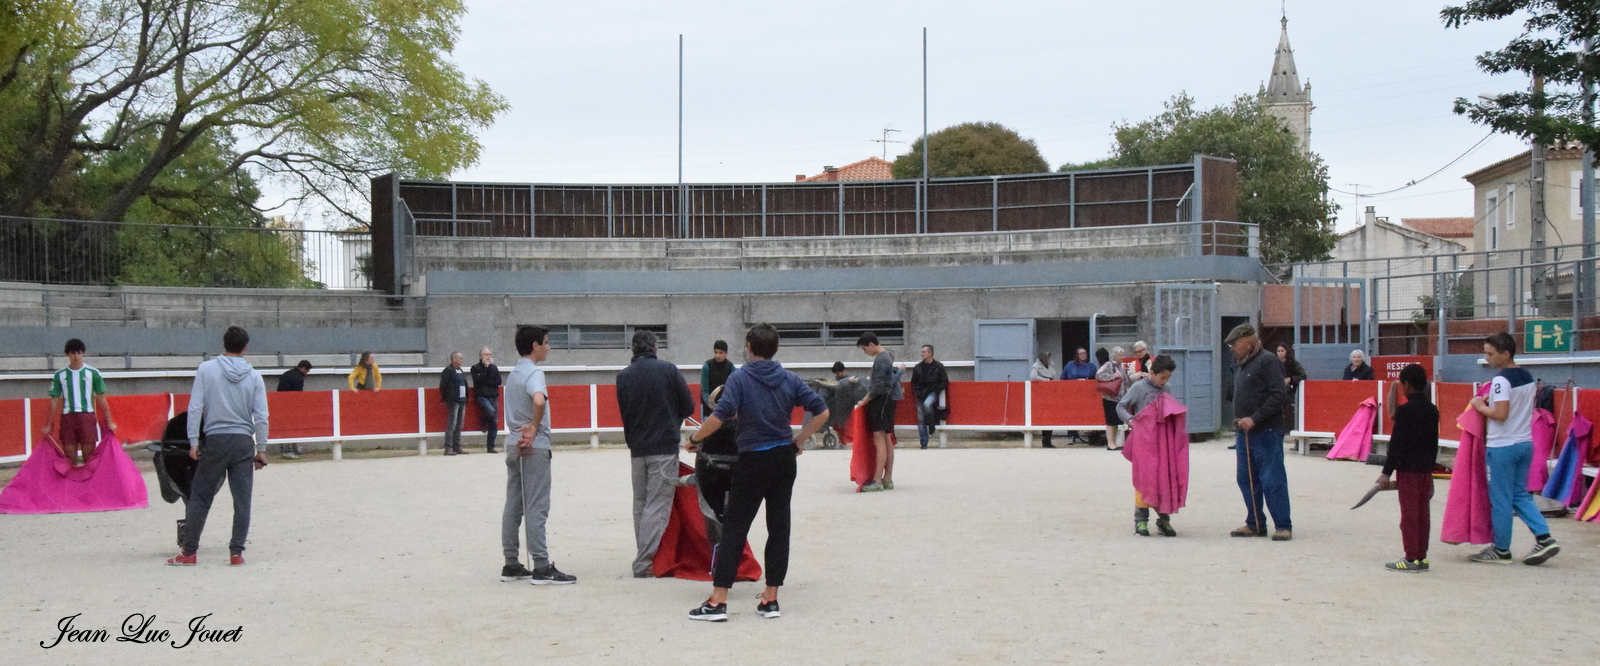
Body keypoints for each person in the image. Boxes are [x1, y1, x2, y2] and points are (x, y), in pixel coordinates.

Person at [683, 323, 829, 622]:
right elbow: (822, 411)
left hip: (753, 460)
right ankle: (770, 599)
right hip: (783, 460)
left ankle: (718, 601)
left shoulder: (741, 378)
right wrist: (798, 441)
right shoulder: (788, 378)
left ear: (749, 346)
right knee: (779, 527)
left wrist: (696, 439)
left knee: (735, 527)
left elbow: (719, 416)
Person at [167, 326, 269, 567]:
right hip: (243, 442)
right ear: (245, 347)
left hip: (215, 440)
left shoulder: (207, 369)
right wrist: (261, 448)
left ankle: (189, 551)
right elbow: (262, 416)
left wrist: (193, 440)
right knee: (242, 500)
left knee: (200, 497)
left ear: (224, 344)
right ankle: (236, 552)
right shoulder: (254, 376)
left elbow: (195, 407)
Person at [1467, 332, 1561, 565]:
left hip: (1502, 446)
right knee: (1520, 494)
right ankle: (1544, 537)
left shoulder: (1501, 380)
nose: (1486, 358)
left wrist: (1480, 405)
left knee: (1500, 499)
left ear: (1505, 353)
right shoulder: (1527, 376)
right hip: (1524, 443)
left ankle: (1501, 549)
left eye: (1490, 353)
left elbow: (1500, 414)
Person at [498, 325, 577, 585]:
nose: (549, 347)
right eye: (546, 342)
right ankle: (541, 566)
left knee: (514, 504)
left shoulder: (514, 373)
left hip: (512, 443)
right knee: (536, 506)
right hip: (533, 445)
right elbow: (539, 401)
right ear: (535, 345)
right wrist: (533, 426)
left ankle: (511, 563)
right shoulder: (534, 372)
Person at [616, 329, 695, 578]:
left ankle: (644, 557)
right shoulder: (668, 370)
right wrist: (671, 417)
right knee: (656, 506)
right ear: (655, 348)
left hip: (637, 450)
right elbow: (689, 406)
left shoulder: (623, 377)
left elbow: (625, 414)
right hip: (663, 448)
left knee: (640, 504)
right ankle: (644, 563)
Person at [1225, 323, 1292, 541]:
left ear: (1248, 340)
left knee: (1272, 479)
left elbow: (1278, 394)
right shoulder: (1242, 363)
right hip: (1244, 433)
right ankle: (1254, 523)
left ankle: (1283, 525)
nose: (1232, 348)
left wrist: (1254, 418)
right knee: (1246, 479)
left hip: (1267, 431)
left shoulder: (1268, 361)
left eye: (1234, 344)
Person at [1379, 364, 1439, 572]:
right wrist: (1430, 472)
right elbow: (1434, 444)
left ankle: (1411, 558)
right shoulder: (1432, 410)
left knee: (1410, 515)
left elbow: (1397, 445)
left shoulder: (1405, 411)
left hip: (1409, 470)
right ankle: (1421, 557)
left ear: (1406, 384)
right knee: (1423, 514)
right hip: (1424, 470)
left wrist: (1386, 472)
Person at [1117, 355, 1178, 536]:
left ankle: (1164, 521)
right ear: (1151, 373)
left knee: (1164, 480)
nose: (1164, 381)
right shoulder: (1138, 387)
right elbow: (1121, 406)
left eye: (1168, 378)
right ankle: (1141, 521)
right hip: (1144, 441)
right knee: (1144, 479)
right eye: (1162, 377)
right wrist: (1131, 421)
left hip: (1162, 442)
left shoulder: (1166, 389)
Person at [42, 338, 116, 468]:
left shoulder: (93, 373)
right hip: (68, 418)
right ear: (67, 354)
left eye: (78, 353)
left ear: (83, 353)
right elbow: (53, 401)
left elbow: (102, 399)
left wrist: (109, 421)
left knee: (89, 457)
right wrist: (49, 424)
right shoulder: (59, 375)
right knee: (70, 458)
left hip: (87, 416)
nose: (76, 356)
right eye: (72, 353)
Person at [855, 332, 897, 491]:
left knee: (880, 440)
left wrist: (863, 401)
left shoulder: (881, 359)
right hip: (887, 400)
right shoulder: (886, 357)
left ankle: (877, 481)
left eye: (865, 348)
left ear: (871, 344)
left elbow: (878, 386)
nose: (865, 352)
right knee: (886, 439)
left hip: (880, 402)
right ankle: (887, 478)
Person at [910, 345, 948, 450]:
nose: (921, 354)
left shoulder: (938, 366)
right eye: (922, 352)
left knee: (927, 405)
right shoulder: (918, 367)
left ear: (930, 354)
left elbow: (944, 381)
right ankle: (924, 443)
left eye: (924, 352)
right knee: (920, 418)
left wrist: (936, 391)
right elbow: (913, 382)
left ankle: (931, 423)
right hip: (920, 393)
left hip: (932, 392)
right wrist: (916, 392)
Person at [274, 360, 311, 459]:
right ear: (304, 369)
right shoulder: (298, 377)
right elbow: (297, 395)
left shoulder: (287, 373)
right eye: (307, 371)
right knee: (290, 427)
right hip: (290, 406)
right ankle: (289, 450)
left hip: (280, 403)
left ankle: (287, 449)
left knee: (284, 427)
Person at [1095, 347, 1128, 450]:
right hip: (1110, 397)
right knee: (1110, 421)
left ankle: (1113, 442)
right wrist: (1113, 376)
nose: (1123, 357)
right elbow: (1098, 374)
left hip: (1118, 398)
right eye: (1121, 355)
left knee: (1115, 421)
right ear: (1115, 356)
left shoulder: (1118, 366)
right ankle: (1110, 443)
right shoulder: (1109, 364)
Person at [1062, 347, 1097, 444]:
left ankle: (1091, 436)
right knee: (1072, 415)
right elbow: (1063, 378)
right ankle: (1071, 435)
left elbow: (1095, 380)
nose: (1083, 355)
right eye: (1081, 353)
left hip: (1087, 395)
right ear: (1077, 355)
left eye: (1084, 353)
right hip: (1073, 394)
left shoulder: (1091, 366)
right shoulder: (1070, 365)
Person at [471, 348, 502, 453]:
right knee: (491, 412)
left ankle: (490, 446)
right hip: (482, 396)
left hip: (493, 395)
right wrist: (485, 368)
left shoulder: (494, 367)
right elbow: (478, 380)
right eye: (486, 354)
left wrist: (487, 380)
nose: (488, 356)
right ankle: (482, 421)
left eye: (490, 354)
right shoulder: (475, 368)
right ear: (481, 356)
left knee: (494, 421)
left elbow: (498, 381)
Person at [439, 352, 469, 455]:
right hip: (454, 401)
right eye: (460, 358)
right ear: (454, 359)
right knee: (452, 425)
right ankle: (448, 448)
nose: (462, 359)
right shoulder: (448, 371)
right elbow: (443, 387)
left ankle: (456, 446)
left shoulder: (459, 370)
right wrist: (449, 399)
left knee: (459, 425)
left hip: (462, 400)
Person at [700, 340, 735, 420]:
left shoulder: (731, 368)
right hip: (709, 407)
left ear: (726, 353)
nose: (717, 355)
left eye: (721, 353)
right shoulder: (707, 366)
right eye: (716, 352)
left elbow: (732, 390)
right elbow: (704, 390)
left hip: (725, 407)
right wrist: (711, 404)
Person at [1030, 352, 1057, 447]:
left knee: (1051, 417)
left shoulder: (1049, 365)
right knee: (1046, 417)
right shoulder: (1036, 367)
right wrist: (1045, 380)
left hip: (1050, 394)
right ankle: (1046, 440)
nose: (1049, 359)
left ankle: (1047, 439)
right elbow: (1033, 377)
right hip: (1042, 395)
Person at [1276, 344, 1306, 431]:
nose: (1280, 353)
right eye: (1278, 351)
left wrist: (1290, 379)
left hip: (1289, 391)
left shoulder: (1293, 363)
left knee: (1288, 411)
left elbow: (1303, 375)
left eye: (1282, 351)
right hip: (1276, 391)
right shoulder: (1273, 362)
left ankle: (1289, 428)